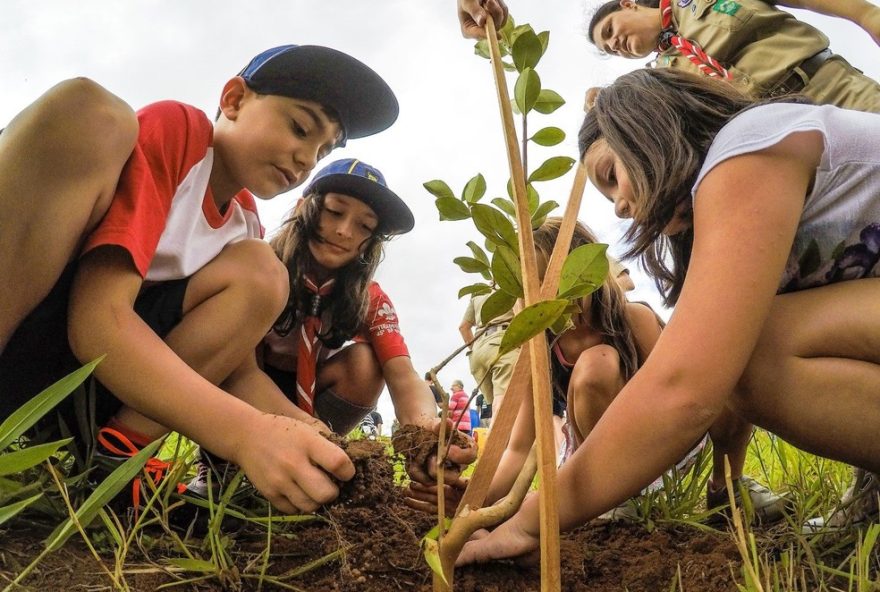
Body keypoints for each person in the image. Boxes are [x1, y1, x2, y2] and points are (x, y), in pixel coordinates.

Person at [457, 67, 880, 564]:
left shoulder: (748, 148)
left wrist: (535, 522)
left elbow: (683, 389)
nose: (618, 208)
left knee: (742, 352)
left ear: (646, 125)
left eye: (611, 176)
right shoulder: (743, 175)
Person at [0, 44, 401, 515]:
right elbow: (96, 318)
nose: (306, 158)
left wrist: (314, 435)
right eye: (299, 127)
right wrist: (245, 434)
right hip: (33, 332)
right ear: (232, 100)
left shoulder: (246, 226)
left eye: (323, 149)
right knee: (89, 110)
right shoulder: (180, 135)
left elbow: (237, 370)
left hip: (77, 386)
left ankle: (116, 462)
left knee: (263, 274)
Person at [256, 158, 476, 492]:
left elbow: (402, 376)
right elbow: (234, 369)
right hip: (246, 387)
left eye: (365, 225)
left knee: (366, 362)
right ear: (305, 208)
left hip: (310, 393)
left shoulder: (367, 298)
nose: (345, 231)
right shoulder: (260, 267)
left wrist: (425, 429)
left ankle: (320, 457)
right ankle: (221, 463)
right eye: (334, 211)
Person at [587, 0, 880, 112]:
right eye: (610, 49)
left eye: (610, 30)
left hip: (829, 87)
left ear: (628, 4)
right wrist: (610, 106)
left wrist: (866, 15)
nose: (615, 43)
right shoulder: (662, 81)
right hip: (784, 134)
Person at [459, 293, 517, 425]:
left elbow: (463, 327)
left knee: (496, 405)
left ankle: (502, 443)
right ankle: (495, 444)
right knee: (504, 405)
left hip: (478, 350)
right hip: (501, 342)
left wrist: (477, 348)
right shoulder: (511, 287)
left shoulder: (478, 294)